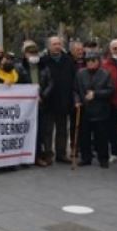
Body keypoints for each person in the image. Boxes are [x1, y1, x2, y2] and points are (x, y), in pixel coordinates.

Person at [73, 50, 113, 168]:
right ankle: (86, 157)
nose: (90, 63)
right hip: (85, 110)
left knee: (101, 136)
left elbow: (110, 90)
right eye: (88, 61)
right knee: (84, 136)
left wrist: (96, 94)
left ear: (98, 61)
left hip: (100, 110)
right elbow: (75, 90)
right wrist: (76, 101)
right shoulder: (80, 73)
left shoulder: (105, 74)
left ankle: (103, 158)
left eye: (93, 60)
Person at [40, 36, 76, 164]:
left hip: (64, 100)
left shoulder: (69, 60)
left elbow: (74, 80)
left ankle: (61, 154)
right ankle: (49, 154)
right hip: (48, 101)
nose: (57, 46)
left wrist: (73, 98)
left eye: (59, 44)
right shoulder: (43, 61)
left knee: (62, 129)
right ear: (49, 46)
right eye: (54, 44)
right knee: (48, 130)